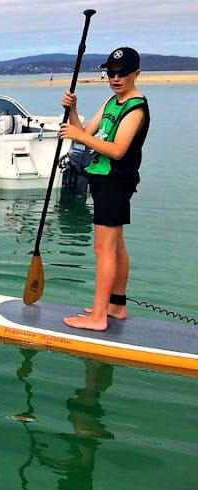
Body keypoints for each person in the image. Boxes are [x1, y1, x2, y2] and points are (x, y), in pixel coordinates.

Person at [58, 47, 150, 331]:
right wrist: (72, 111)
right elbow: (85, 135)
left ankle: (98, 317)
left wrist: (75, 134)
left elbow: (118, 150)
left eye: (122, 73)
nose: (115, 77)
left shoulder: (135, 107)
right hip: (102, 179)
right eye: (111, 72)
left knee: (104, 249)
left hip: (116, 181)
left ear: (136, 74)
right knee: (116, 246)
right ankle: (115, 306)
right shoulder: (113, 102)